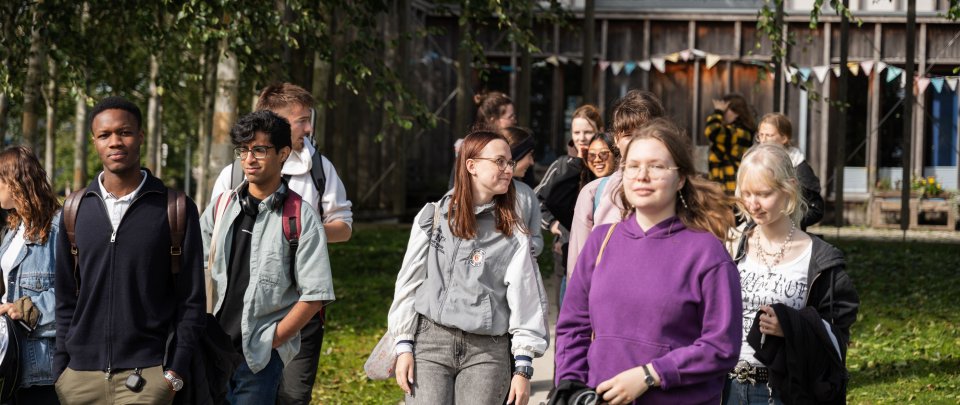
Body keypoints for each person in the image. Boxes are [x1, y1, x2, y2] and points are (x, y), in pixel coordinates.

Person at [555, 118, 742, 405]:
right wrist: (571, 385)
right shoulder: (601, 241)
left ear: (680, 178)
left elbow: (721, 346)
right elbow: (573, 327)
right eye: (633, 166)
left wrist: (652, 373)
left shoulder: (707, 253)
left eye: (656, 166)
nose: (642, 175)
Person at [54, 96, 206, 404]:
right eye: (104, 135)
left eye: (124, 132)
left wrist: (175, 371)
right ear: (94, 142)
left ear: (140, 136)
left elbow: (192, 300)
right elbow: (65, 299)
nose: (115, 142)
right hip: (80, 379)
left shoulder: (173, 207)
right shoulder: (73, 211)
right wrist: (62, 371)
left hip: (148, 376)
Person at [209, 83, 352, 405]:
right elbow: (212, 247)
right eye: (300, 120)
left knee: (292, 396)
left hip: (299, 315)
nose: (309, 127)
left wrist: (299, 234)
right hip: (234, 321)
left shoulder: (319, 169)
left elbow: (344, 228)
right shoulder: (231, 178)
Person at [387, 131, 549, 405]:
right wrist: (403, 345)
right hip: (431, 344)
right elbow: (409, 283)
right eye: (499, 161)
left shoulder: (514, 233)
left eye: (510, 163)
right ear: (471, 165)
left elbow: (527, 300)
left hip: (487, 352)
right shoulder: (433, 216)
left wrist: (522, 367)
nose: (508, 169)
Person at [723, 144, 859, 405]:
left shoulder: (819, 258)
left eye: (764, 194)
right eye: (747, 193)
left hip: (785, 390)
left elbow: (837, 337)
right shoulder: (731, 245)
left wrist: (791, 327)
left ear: (789, 188)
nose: (753, 204)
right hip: (727, 388)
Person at [566, 91, 665, 290]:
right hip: (607, 306)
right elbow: (579, 269)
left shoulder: (679, 189)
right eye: (628, 135)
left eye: (644, 132)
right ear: (616, 140)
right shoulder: (595, 193)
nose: (637, 141)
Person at [0, 146, 61, 403]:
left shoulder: (58, 228)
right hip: (12, 366)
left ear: (15, 182)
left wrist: (22, 309)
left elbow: (76, 292)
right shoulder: (13, 230)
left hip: (42, 369)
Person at [535, 105, 604, 304]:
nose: (582, 137)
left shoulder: (605, 166)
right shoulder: (562, 166)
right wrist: (555, 226)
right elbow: (535, 200)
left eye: (588, 131)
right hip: (566, 254)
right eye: (576, 132)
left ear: (599, 131)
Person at [755, 113, 824, 230]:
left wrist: (787, 222)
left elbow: (815, 209)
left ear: (784, 138)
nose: (763, 140)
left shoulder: (799, 167)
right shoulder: (754, 162)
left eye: (769, 135)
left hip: (790, 235)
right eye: (761, 135)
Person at [451, 91, 519, 189]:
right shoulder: (472, 147)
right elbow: (455, 184)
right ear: (493, 120)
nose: (514, 121)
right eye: (510, 117)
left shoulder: (513, 144)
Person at [501, 126, 544, 256]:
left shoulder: (527, 194)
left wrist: (524, 250)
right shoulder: (480, 192)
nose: (532, 162)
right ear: (516, 155)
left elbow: (537, 238)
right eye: (529, 155)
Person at [705, 93, 755, 194]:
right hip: (724, 185)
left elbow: (711, 131)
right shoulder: (734, 130)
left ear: (736, 112)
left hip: (730, 186)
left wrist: (718, 111)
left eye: (725, 110)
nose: (722, 115)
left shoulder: (739, 132)